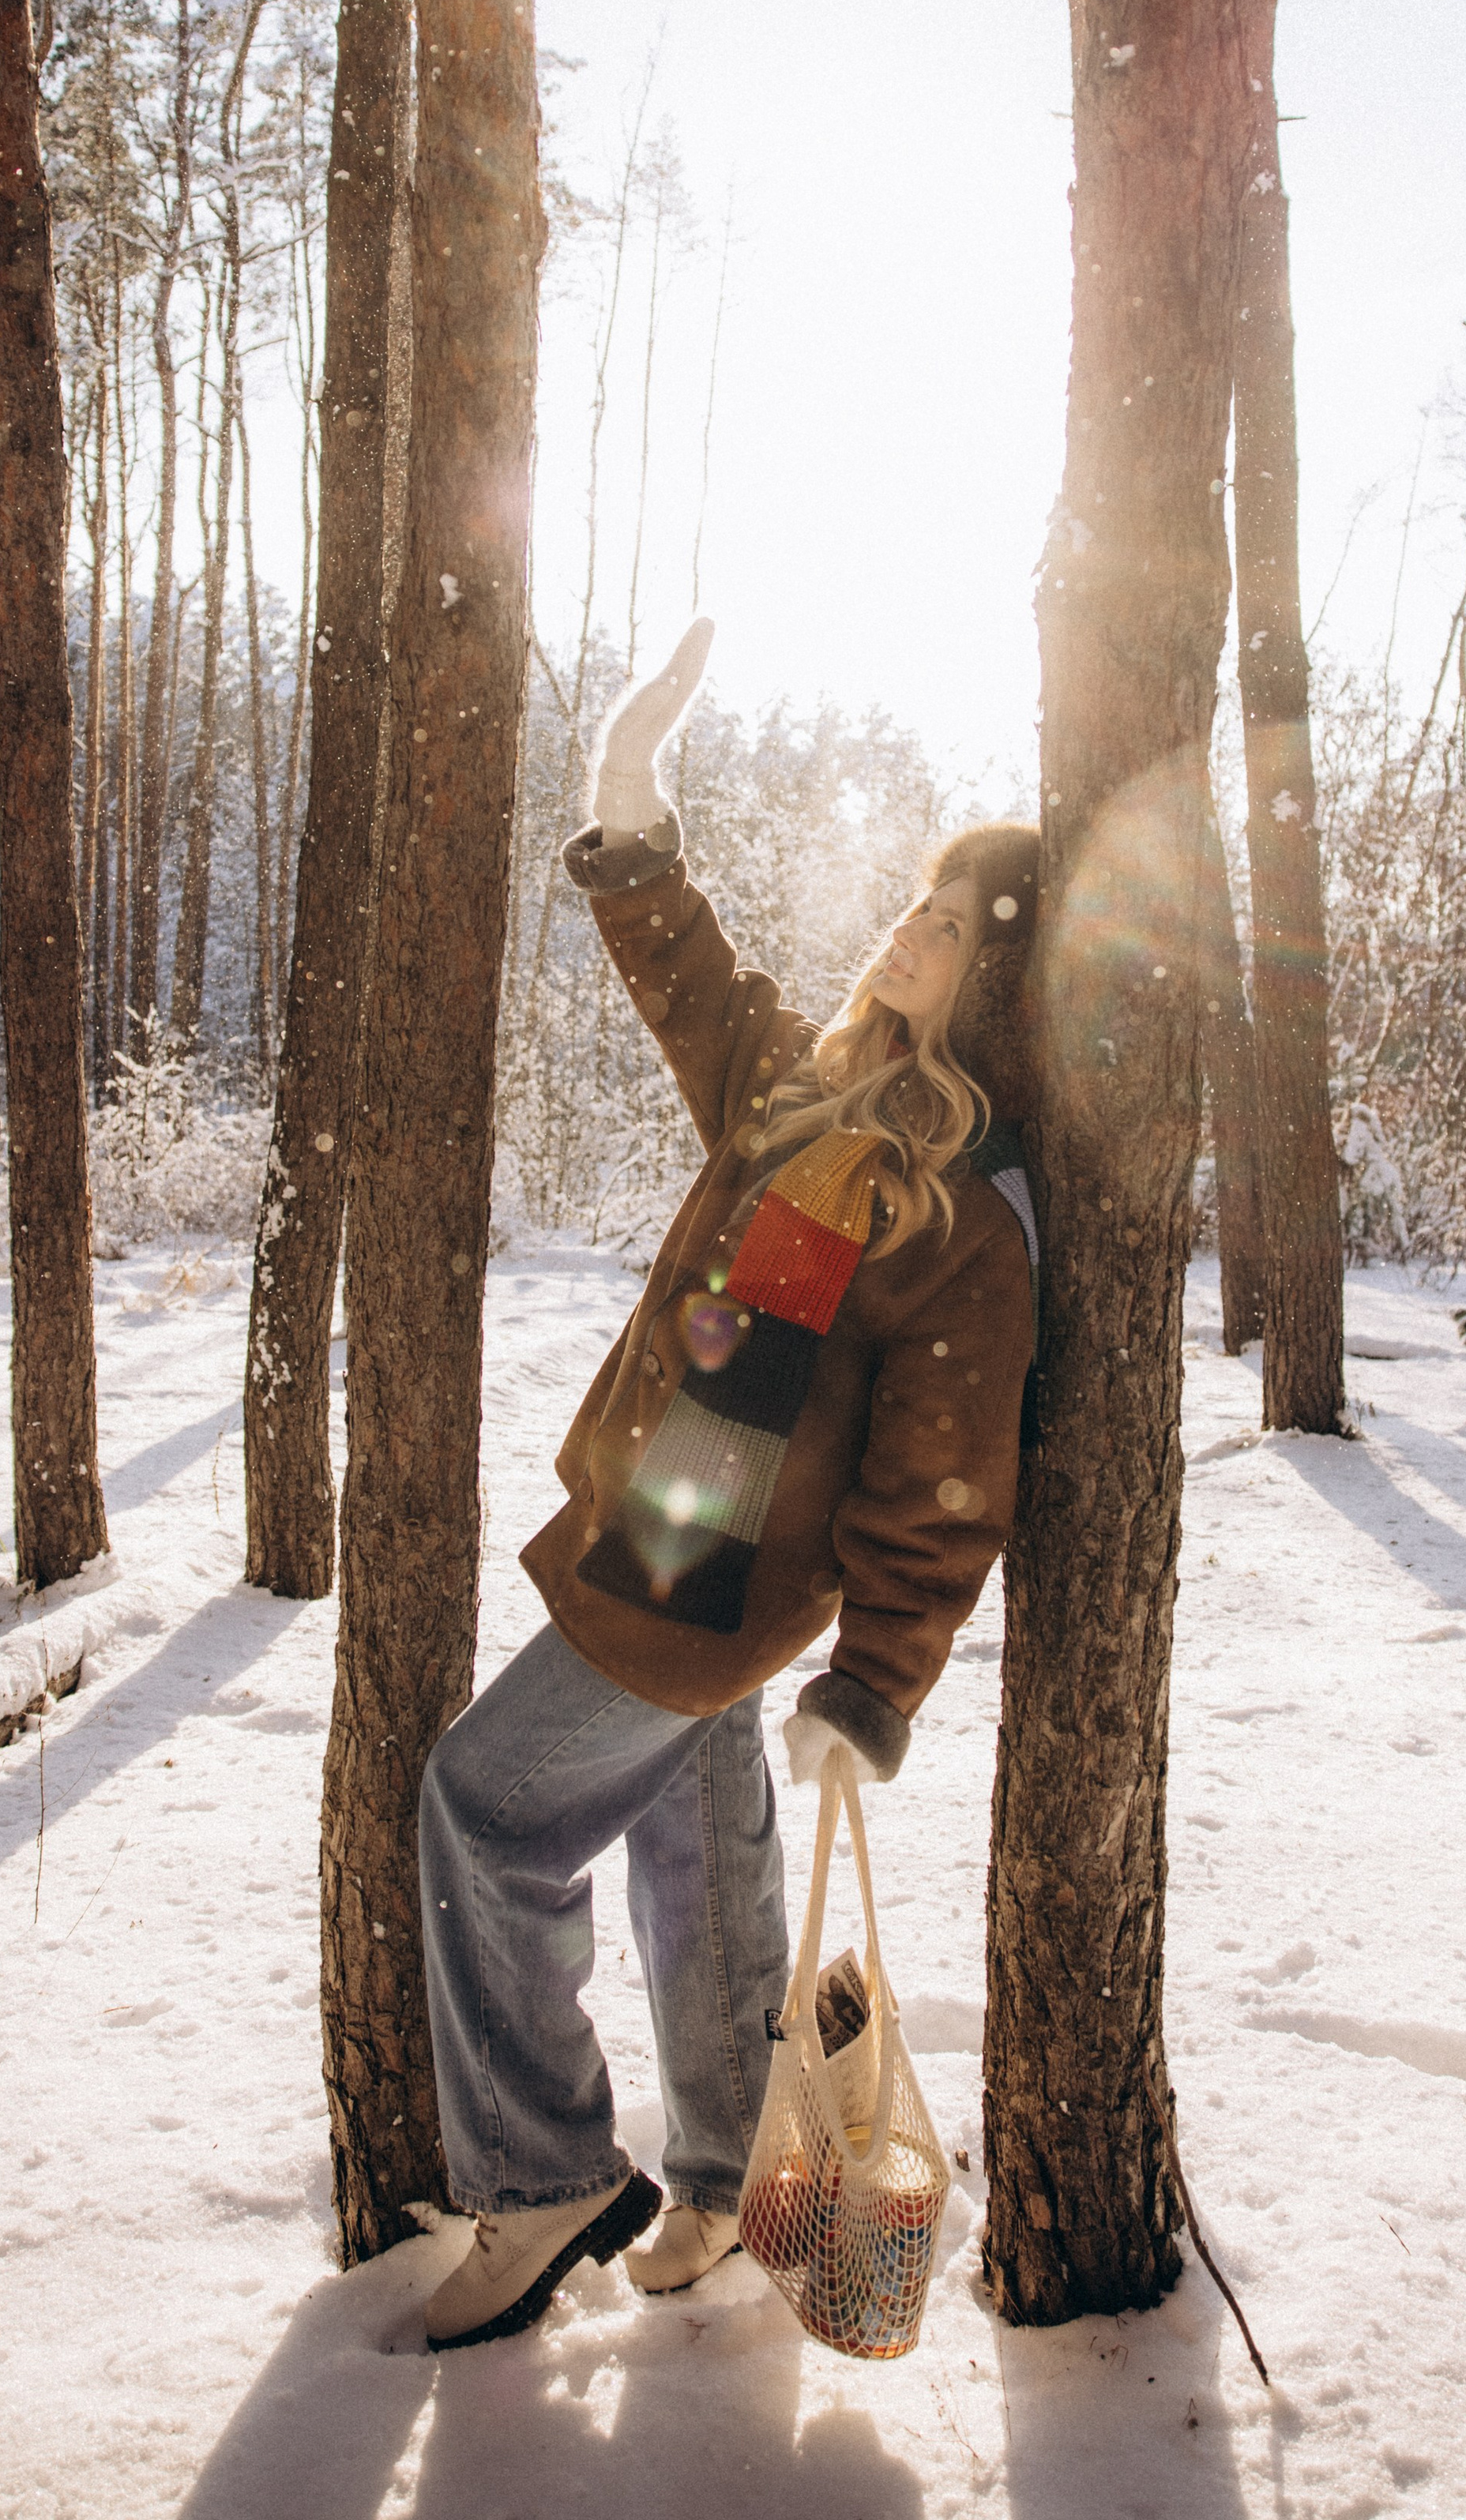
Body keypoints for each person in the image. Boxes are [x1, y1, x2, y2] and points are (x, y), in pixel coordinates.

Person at [419, 622, 1042, 2351]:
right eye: (911, 899)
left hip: (701, 1581)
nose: (905, 928)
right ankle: (711, 2181)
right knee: (697, 1859)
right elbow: (691, 977)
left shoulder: (965, 1209)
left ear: (992, 977)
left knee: (481, 1808)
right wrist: (630, 809)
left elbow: (941, 1484)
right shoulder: (808, 1094)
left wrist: (875, 1685)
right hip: (674, 1533)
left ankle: (542, 2176)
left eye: (946, 919)